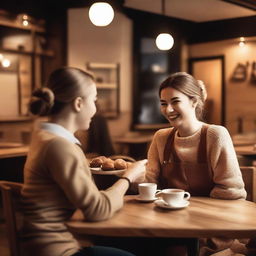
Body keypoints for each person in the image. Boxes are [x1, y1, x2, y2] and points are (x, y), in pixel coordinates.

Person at [20, 67, 147, 256]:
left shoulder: (43, 137)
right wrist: (129, 176)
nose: (95, 109)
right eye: (94, 100)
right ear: (78, 103)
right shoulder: (60, 146)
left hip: (44, 245)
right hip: (56, 249)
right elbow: (98, 210)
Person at [145, 72, 247, 256]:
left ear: (194, 101)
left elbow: (231, 193)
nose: (168, 110)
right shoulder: (160, 138)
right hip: (169, 228)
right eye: (163, 103)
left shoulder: (215, 135)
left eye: (175, 101)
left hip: (212, 230)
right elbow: (150, 183)